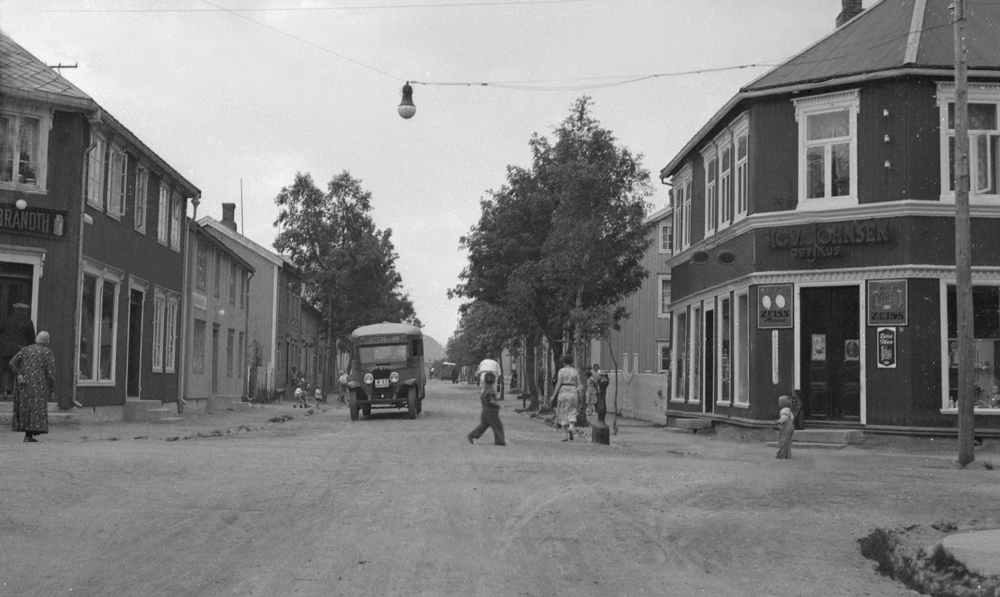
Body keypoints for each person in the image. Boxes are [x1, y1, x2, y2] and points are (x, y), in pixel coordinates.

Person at [10, 331, 55, 443]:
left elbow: (12, 362)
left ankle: (28, 434)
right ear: (47, 340)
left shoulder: (25, 350)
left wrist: (19, 374)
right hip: (39, 384)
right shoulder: (48, 353)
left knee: (26, 407)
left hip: (24, 384)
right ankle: (29, 434)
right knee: (36, 408)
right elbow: (50, 373)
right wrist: (52, 387)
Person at [0, 303, 36, 397]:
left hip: (7, 349)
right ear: (22, 311)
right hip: (21, 350)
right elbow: (32, 338)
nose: (26, 312)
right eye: (25, 311)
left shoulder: (6, 320)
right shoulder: (28, 322)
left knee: (7, 369)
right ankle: (19, 391)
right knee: (21, 369)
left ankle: (6, 390)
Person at [467, 371, 505, 446]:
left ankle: (472, 435)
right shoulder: (491, 390)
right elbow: (492, 401)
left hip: (485, 411)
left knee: (484, 425)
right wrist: (498, 405)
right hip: (491, 412)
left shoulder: (485, 390)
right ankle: (499, 440)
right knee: (497, 426)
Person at [549, 353, 580, 441]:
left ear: (563, 362)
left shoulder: (561, 371)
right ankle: (571, 427)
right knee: (572, 411)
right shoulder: (575, 371)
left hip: (563, 391)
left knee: (563, 412)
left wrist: (553, 396)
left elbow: (558, 384)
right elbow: (579, 384)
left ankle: (564, 435)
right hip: (573, 391)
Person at [775, 395, 795, 459]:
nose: (778, 404)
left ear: (782, 404)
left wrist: (778, 421)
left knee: (783, 440)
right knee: (788, 441)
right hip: (791, 426)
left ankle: (782, 454)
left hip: (786, 427)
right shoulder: (789, 410)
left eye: (779, 403)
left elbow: (783, 419)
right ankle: (788, 454)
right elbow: (792, 418)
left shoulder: (784, 410)